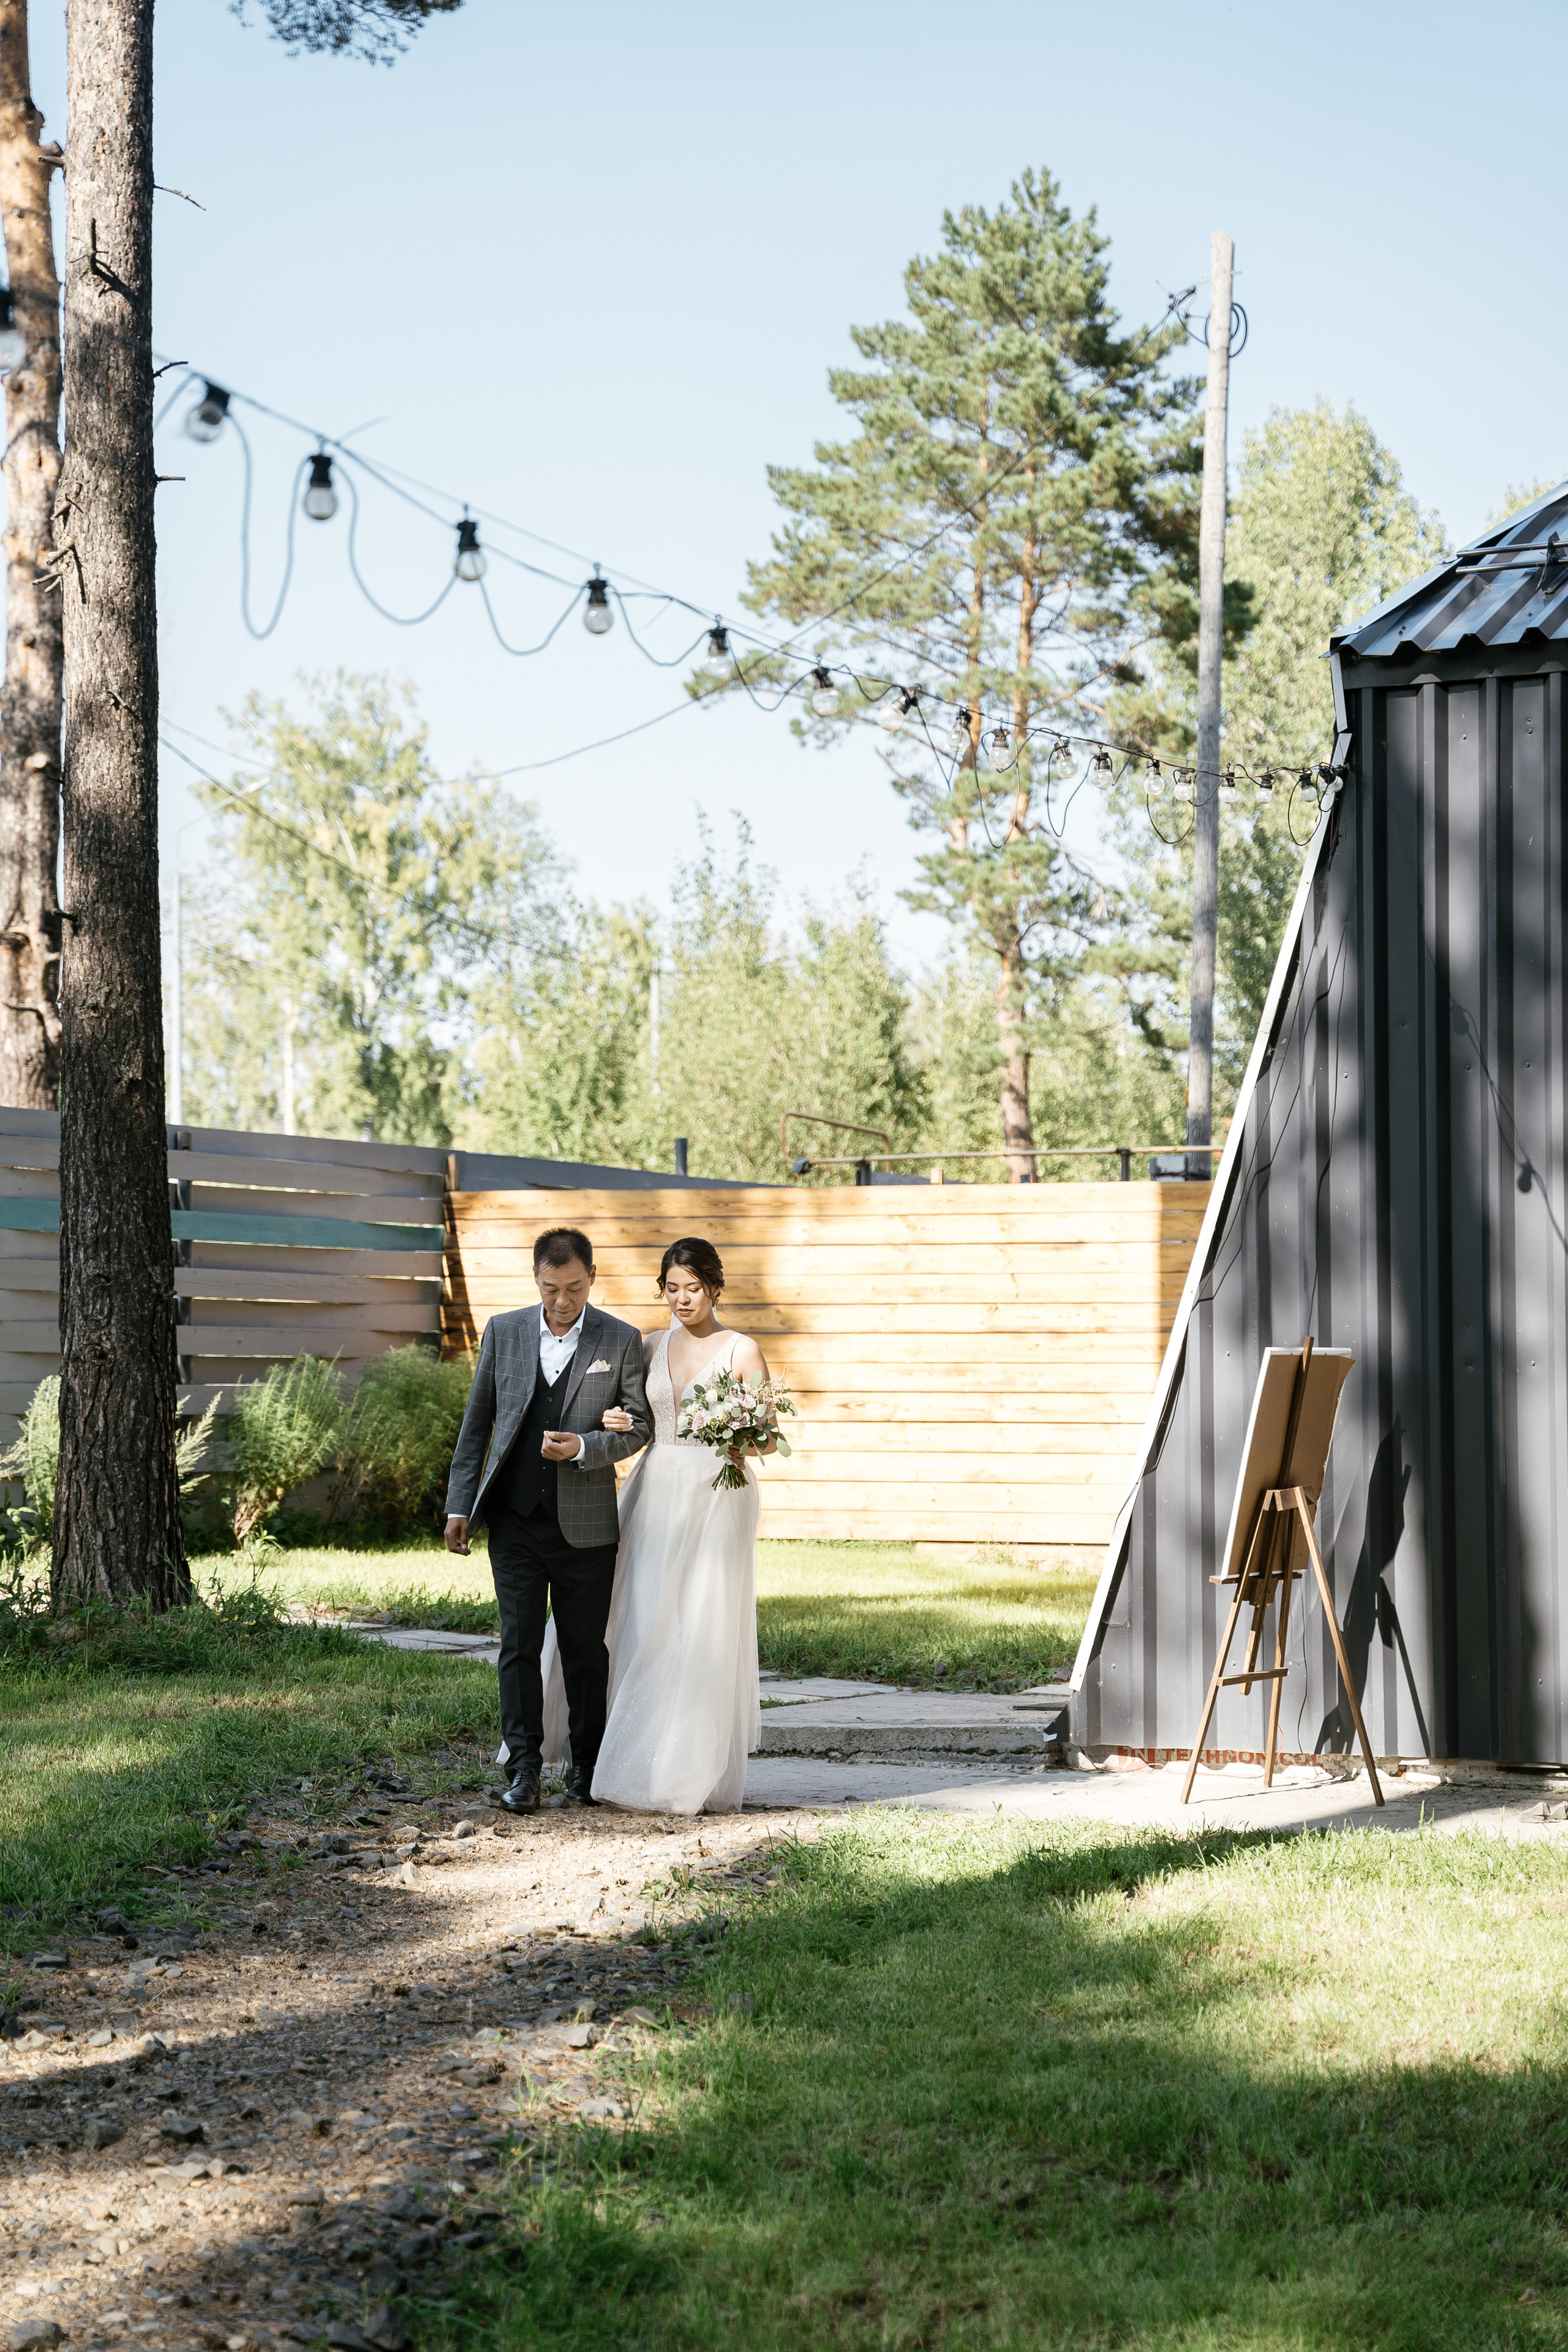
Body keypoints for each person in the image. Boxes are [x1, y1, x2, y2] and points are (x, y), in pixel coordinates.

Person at [442, 1226, 652, 1815]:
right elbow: (476, 1425)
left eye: (575, 1289)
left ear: (592, 1278)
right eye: (552, 1288)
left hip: (586, 1525)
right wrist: (461, 1505)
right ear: (536, 1280)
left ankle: (586, 1766)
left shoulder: (620, 1338)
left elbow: (639, 1426)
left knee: (587, 1650)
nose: (563, 1302)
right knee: (518, 1645)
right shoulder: (504, 1332)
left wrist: (584, 1448)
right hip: (513, 1520)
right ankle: (524, 1768)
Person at [578, 1234, 776, 1815]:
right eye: (672, 1289)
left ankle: (687, 1767)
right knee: (640, 1608)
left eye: (693, 1288)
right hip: (656, 1481)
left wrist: (740, 1434)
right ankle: (623, 1749)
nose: (683, 1299)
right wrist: (612, 1417)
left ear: (714, 1287)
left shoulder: (742, 1350)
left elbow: (769, 1436)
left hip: (718, 1489)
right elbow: (629, 1416)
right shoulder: (648, 1345)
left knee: (701, 1618)